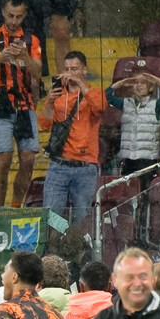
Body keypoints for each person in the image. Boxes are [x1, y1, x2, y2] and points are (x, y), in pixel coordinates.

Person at [0, 0, 42, 208]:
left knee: (28, 158)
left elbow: (38, 74)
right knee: (3, 158)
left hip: (25, 103)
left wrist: (25, 56)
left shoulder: (31, 40)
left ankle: (16, 206)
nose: (14, 21)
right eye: (10, 16)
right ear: (3, 13)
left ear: (25, 16)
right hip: (0, 102)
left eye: (19, 17)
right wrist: (1, 57)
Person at [39, 51, 107, 223]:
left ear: (84, 70)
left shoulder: (95, 92)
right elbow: (44, 124)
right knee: (51, 217)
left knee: (81, 219)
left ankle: (74, 240)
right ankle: (59, 237)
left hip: (85, 167)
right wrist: (49, 101)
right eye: (67, 69)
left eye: (74, 69)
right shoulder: (57, 95)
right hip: (58, 165)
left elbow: (100, 107)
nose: (69, 73)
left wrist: (80, 84)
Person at [106, 72, 160, 189]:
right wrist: (121, 83)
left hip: (148, 159)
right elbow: (106, 96)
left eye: (143, 82)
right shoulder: (125, 103)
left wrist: (157, 80)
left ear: (150, 87)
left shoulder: (156, 104)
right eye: (136, 82)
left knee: (145, 190)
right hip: (128, 158)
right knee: (129, 191)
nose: (139, 85)